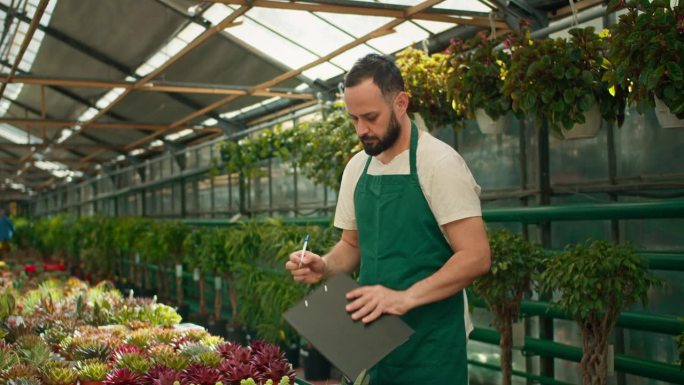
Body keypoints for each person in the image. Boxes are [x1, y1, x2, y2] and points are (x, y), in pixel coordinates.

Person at [285, 53, 491, 384]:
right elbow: (351, 245)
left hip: (432, 345)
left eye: (370, 117)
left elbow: (476, 256)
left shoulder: (438, 163)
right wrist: (324, 265)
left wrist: (403, 298)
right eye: (354, 119)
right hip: (374, 342)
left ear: (401, 103)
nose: (362, 130)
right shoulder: (357, 168)